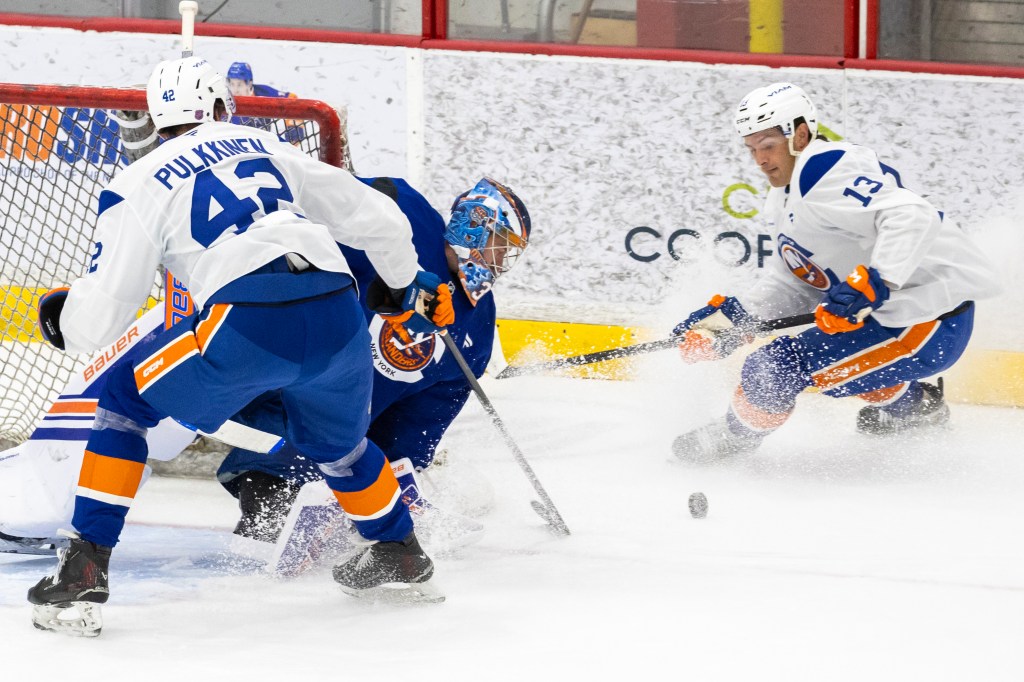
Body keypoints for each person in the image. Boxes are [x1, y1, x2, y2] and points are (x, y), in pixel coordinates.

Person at [25, 56, 454, 637]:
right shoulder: (261, 144)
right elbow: (379, 216)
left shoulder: (136, 183)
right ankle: (400, 551)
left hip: (246, 319)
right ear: (223, 108)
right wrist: (400, 287)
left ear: (156, 121)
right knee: (342, 448)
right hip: (337, 310)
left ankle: (84, 567)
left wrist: (61, 320)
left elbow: (103, 316)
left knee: (125, 401)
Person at [670, 82, 999, 463]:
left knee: (775, 367)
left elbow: (912, 215)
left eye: (768, 145)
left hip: (927, 320)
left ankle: (734, 438)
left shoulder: (824, 170)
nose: (760, 160)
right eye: (752, 149)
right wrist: (736, 318)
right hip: (894, 318)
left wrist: (878, 280)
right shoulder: (784, 195)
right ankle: (918, 411)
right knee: (844, 360)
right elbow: (796, 280)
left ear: (801, 134)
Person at [218, 176, 530, 548]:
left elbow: (423, 417)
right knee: (271, 500)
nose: (499, 260)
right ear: (473, 225)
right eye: (498, 244)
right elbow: (319, 204)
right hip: (273, 367)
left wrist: (398, 469)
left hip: (337, 431)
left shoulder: (477, 324)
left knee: (340, 484)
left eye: (508, 251)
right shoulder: (401, 214)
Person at [225, 61, 305, 145]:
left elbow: (292, 100)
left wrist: (294, 126)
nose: (235, 90)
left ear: (249, 83)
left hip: (263, 147)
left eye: (239, 85)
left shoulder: (263, 93)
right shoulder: (223, 99)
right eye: (232, 84)